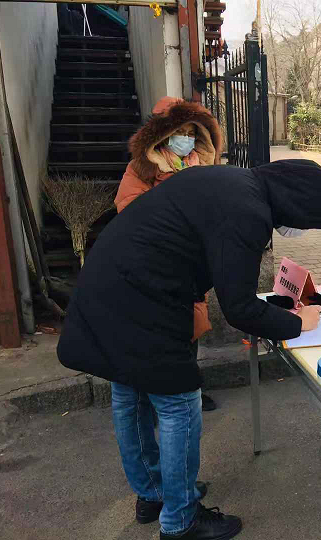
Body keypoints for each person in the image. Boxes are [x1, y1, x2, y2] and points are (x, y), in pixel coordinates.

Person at [57, 159, 321, 540]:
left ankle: (154, 493)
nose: (297, 231)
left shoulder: (232, 180)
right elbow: (239, 308)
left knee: (130, 393)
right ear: (295, 204)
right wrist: (299, 323)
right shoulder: (249, 211)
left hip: (110, 284)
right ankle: (181, 520)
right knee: (179, 405)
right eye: (305, 223)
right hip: (145, 299)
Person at [116, 96, 223, 412]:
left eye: (191, 133)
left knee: (191, 327)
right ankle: (159, 394)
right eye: (179, 132)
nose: (186, 139)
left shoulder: (205, 168)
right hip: (156, 262)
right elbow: (129, 209)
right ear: (163, 134)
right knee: (160, 331)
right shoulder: (141, 169)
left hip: (193, 263)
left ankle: (189, 388)